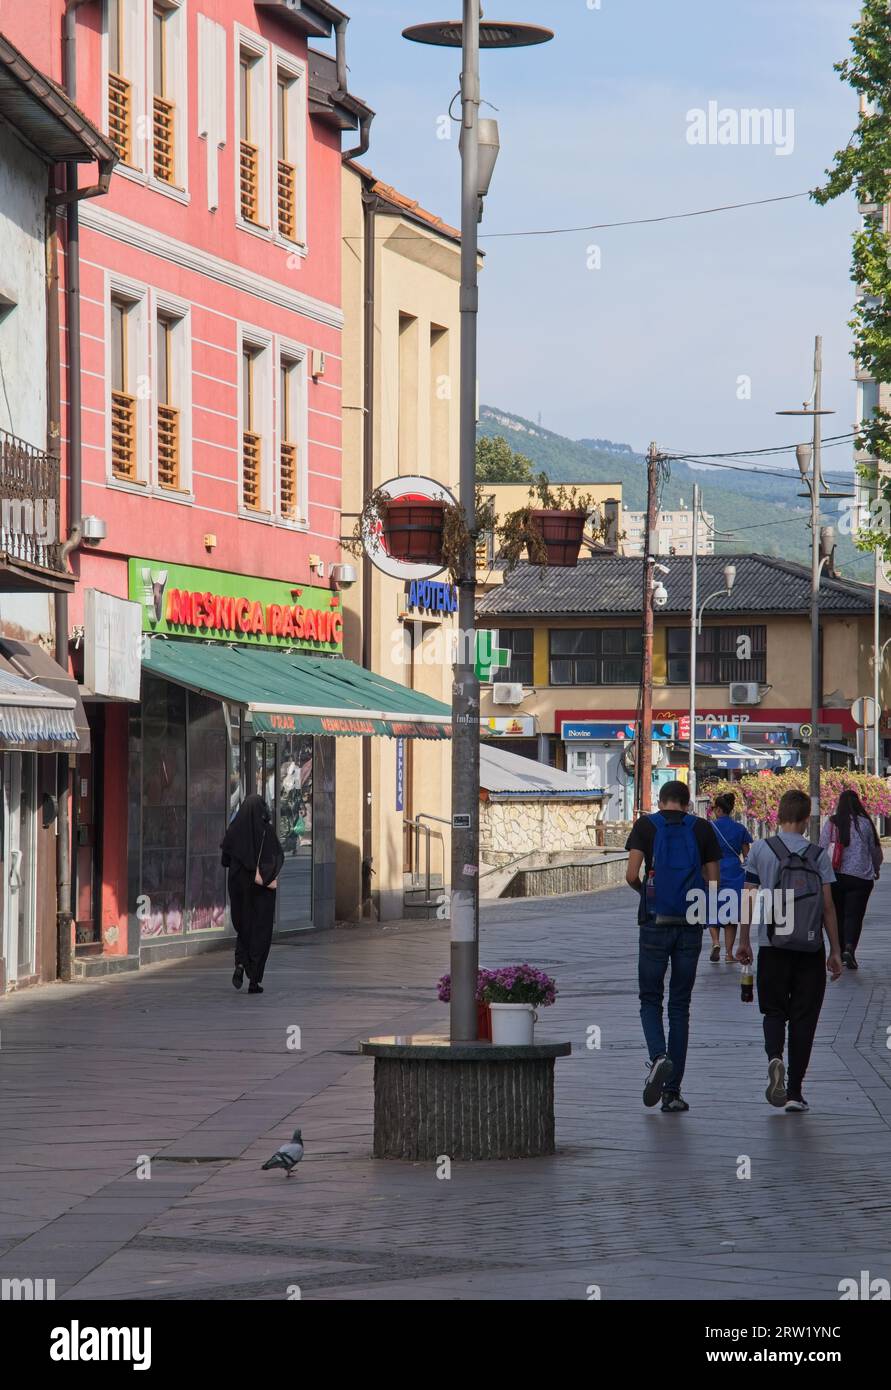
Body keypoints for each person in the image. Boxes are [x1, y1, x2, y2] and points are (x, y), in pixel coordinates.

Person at [737, 789, 842, 1113]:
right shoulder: (817, 854)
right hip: (810, 946)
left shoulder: (761, 850)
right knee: (804, 1019)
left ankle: (774, 1058)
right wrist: (835, 951)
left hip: (772, 945)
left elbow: (749, 898)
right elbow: (826, 906)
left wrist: (743, 941)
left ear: (779, 815)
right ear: (806, 818)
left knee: (773, 1011)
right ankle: (795, 1092)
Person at [625, 779, 721, 1113]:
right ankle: (672, 1092)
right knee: (680, 1006)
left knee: (650, 998)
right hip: (690, 925)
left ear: (662, 801)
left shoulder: (645, 825)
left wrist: (648, 894)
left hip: (654, 921)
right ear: (686, 803)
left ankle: (658, 1056)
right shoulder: (703, 829)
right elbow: (713, 880)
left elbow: (630, 874)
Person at [220, 793, 284, 995]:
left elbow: (225, 860)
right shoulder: (266, 831)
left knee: (244, 928)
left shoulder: (234, 830)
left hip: (239, 888)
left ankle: (240, 964)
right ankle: (254, 981)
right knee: (260, 932)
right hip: (261, 890)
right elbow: (277, 857)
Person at [819, 789, 883, 970]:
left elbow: (822, 849)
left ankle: (837, 951)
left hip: (834, 876)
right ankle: (849, 948)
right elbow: (875, 850)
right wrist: (876, 869)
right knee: (854, 915)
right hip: (860, 878)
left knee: (836, 914)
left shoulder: (831, 823)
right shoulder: (865, 824)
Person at [707, 791, 752, 964]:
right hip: (734, 873)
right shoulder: (740, 829)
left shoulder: (709, 827)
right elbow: (748, 858)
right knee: (731, 917)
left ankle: (715, 942)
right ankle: (729, 954)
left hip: (714, 870)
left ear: (718, 809)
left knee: (712, 910)